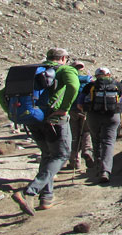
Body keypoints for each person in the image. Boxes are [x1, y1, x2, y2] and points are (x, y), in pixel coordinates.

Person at [12, 47, 80, 215]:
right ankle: (29, 191)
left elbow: (1, 93)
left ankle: (46, 197)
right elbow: (73, 85)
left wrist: (14, 114)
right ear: (63, 58)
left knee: (47, 155)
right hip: (54, 119)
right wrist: (64, 108)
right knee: (62, 154)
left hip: (33, 119)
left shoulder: (32, 71)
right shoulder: (65, 69)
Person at [78, 67, 122, 183]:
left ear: (96, 75)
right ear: (109, 74)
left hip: (93, 116)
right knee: (108, 142)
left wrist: (86, 109)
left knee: (96, 139)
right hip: (112, 115)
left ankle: (98, 166)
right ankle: (106, 170)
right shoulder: (117, 85)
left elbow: (80, 102)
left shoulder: (90, 86)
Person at [68, 62, 93, 170]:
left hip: (72, 110)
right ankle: (87, 151)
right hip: (85, 110)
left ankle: (74, 162)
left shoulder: (69, 80)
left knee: (74, 135)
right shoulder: (89, 80)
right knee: (86, 132)